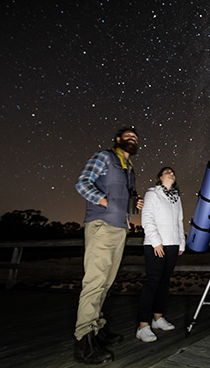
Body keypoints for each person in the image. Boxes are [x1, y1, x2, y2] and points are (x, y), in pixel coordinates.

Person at [73, 127, 144, 364]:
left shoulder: (130, 169)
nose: (132, 139)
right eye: (128, 136)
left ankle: (97, 329)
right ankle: (84, 341)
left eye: (135, 137)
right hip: (102, 225)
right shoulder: (105, 157)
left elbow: (124, 197)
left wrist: (136, 203)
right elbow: (82, 183)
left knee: (106, 283)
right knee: (94, 282)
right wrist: (104, 201)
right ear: (117, 140)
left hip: (120, 228)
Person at [135, 167, 186, 343]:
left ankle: (158, 319)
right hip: (156, 245)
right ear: (159, 177)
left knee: (164, 282)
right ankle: (143, 326)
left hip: (172, 244)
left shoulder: (176, 197)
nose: (172, 173)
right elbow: (147, 218)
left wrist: (181, 242)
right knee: (152, 282)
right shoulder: (152, 193)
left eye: (173, 172)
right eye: (167, 172)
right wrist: (156, 241)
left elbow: (179, 221)